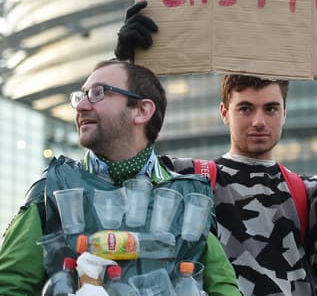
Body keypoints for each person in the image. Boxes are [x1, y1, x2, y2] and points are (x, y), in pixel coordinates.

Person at [115, 1, 317, 295]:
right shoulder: (189, 178)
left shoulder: (304, 191)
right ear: (224, 112)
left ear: (285, 113)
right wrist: (126, 83)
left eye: (270, 108)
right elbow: (121, 172)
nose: (258, 121)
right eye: (245, 109)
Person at [0, 60, 240, 295]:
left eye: (97, 93)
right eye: (81, 96)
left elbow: (224, 289)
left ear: (142, 110)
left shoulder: (189, 198)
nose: (81, 106)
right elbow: (9, 286)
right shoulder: (50, 189)